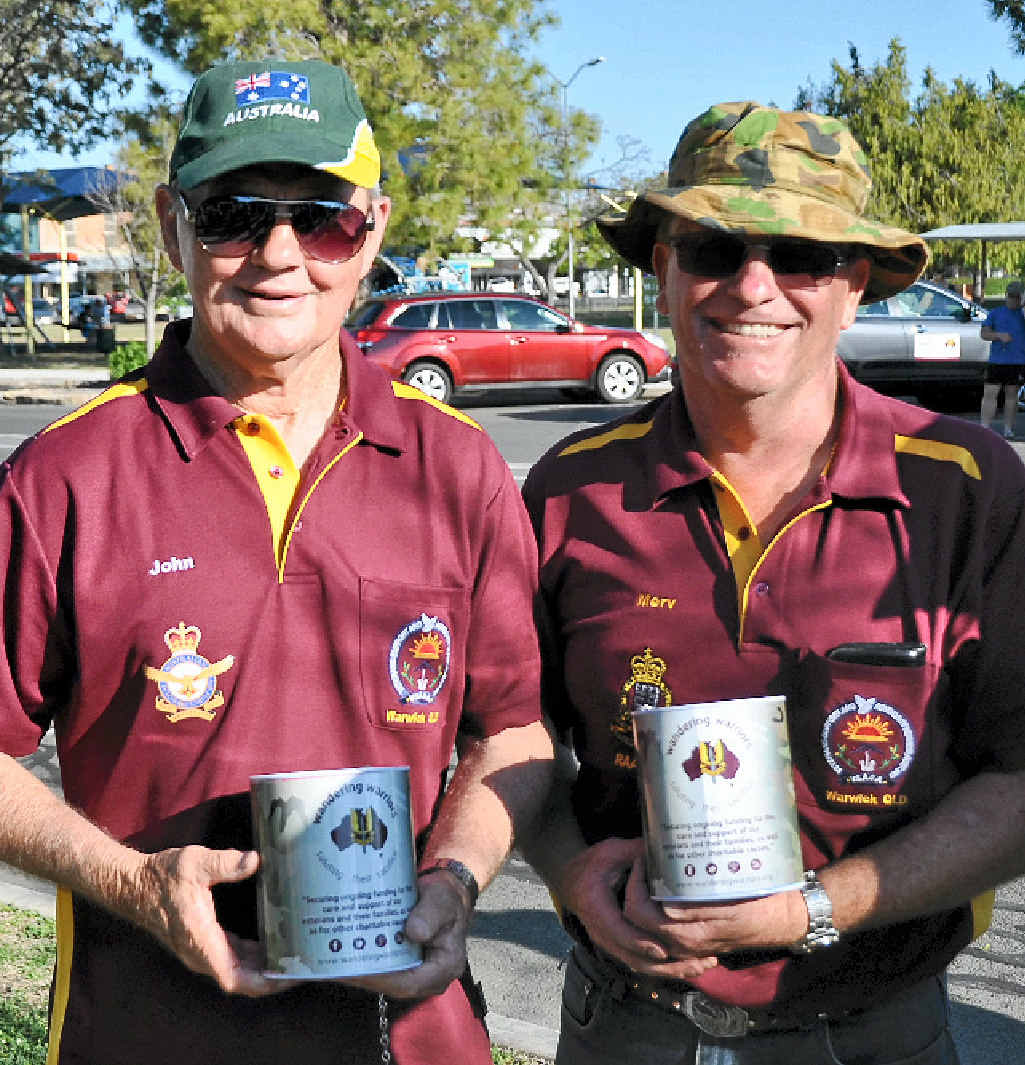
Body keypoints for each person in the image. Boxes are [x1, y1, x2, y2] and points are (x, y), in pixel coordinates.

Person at [0, 58, 553, 1065]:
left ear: (373, 229)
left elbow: (513, 731)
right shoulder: (63, 473)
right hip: (145, 1036)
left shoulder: (455, 465)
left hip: (412, 1036)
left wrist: (456, 881)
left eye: (323, 218)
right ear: (172, 225)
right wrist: (131, 883)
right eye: (234, 214)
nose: (279, 254)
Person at [521, 102, 1025, 1065]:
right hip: (621, 1027)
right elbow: (513, 735)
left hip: (873, 1033)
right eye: (712, 247)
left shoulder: (965, 487)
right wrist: (571, 870)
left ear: (855, 285)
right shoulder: (569, 489)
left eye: (799, 254)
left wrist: (813, 909)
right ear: (662, 270)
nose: (752, 287)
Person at [979, 279, 1025, 439]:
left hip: (1017, 361)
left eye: (1017, 297)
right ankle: (984, 427)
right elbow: (984, 334)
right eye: (1011, 296)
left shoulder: (1023, 314)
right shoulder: (996, 313)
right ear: (1006, 296)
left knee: (1012, 395)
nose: (1013, 300)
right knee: (990, 393)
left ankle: (1008, 429)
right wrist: (998, 335)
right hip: (997, 360)